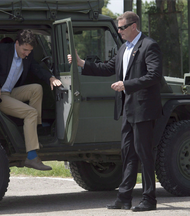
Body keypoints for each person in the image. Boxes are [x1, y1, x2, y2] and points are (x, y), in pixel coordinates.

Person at [68, 11, 162, 211]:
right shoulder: (123, 49)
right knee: (127, 154)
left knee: (144, 154)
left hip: (144, 109)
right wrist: (81, 63)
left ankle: (149, 199)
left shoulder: (149, 46)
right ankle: (124, 197)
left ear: (133, 26)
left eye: (121, 28)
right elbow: (106, 68)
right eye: (118, 28)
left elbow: (154, 76)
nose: (119, 31)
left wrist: (126, 85)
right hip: (127, 109)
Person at [0, 29, 62, 171]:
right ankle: (32, 157)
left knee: (36, 89)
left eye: (30, 51)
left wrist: (51, 78)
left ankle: (34, 135)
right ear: (17, 43)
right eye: (25, 49)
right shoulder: (2, 50)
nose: (27, 53)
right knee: (30, 113)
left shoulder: (27, 56)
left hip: (11, 92)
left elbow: (37, 69)